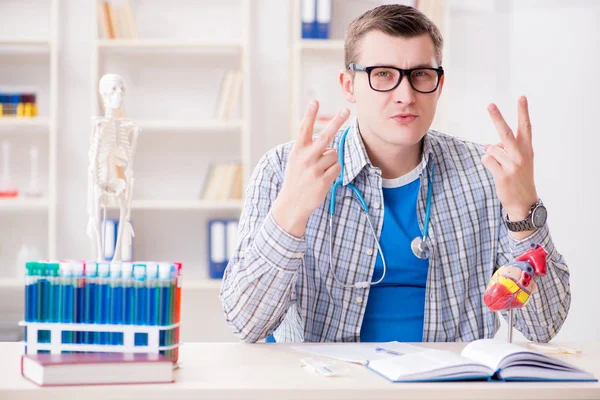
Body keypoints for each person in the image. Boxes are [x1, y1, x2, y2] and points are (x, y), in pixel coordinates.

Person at [220, 4, 570, 343]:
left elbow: (543, 325)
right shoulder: (284, 170)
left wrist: (523, 213)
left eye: (420, 74)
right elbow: (246, 324)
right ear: (348, 86)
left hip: (452, 386)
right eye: (383, 74)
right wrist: (290, 213)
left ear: (439, 85)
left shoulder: (488, 174)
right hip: (330, 385)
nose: (405, 95)